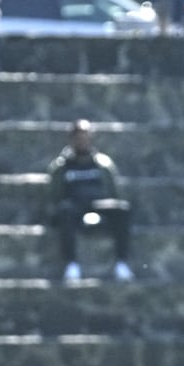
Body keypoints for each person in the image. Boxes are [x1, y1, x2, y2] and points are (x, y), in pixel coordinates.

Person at [47, 119, 135, 283]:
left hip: (100, 203)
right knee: (65, 211)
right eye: (79, 137)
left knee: (122, 210)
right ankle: (71, 264)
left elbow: (114, 190)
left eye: (85, 137)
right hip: (74, 205)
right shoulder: (62, 166)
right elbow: (55, 194)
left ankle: (121, 263)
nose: (82, 141)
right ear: (72, 139)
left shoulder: (103, 163)